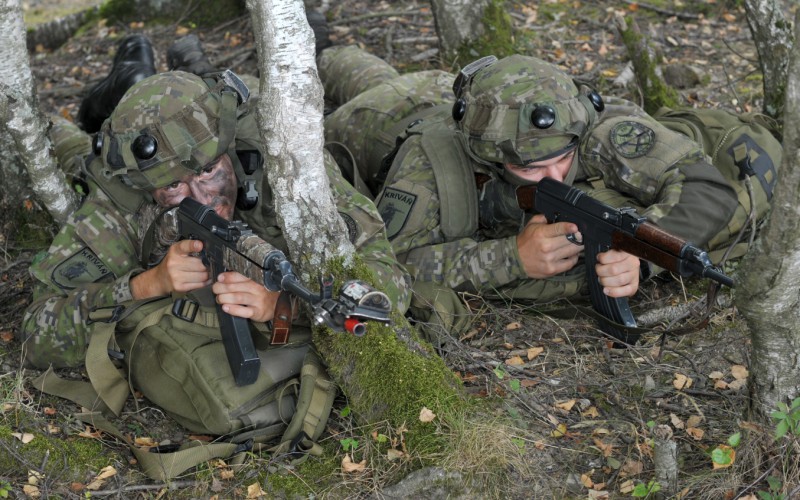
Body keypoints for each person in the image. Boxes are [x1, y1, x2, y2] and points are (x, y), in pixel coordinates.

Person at [317, 46, 779, 337]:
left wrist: (640, 251)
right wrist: (510, 257)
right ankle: (321, 50)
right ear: (489, 158)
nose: (554, 178)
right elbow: (390, 266)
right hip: (378, 119)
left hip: (462, 93)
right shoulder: (428, 162)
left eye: (563, 159)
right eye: (529, 168)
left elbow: (704, 186)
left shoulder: (590, 125)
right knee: (330, 71)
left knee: (370, 67)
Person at [20, 37, 411, 369]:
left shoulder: (281, 157)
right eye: (173, 187)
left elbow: (389, 277)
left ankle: (172, 68)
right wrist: (144, 285)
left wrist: (283, 305)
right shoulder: (120, 200)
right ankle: (102, 100)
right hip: (110, 155)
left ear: (229, 150)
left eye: (208, 172)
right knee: (74, 152)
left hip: (218, 103)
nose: (201, 199)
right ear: (148, 189)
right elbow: (35, 332)